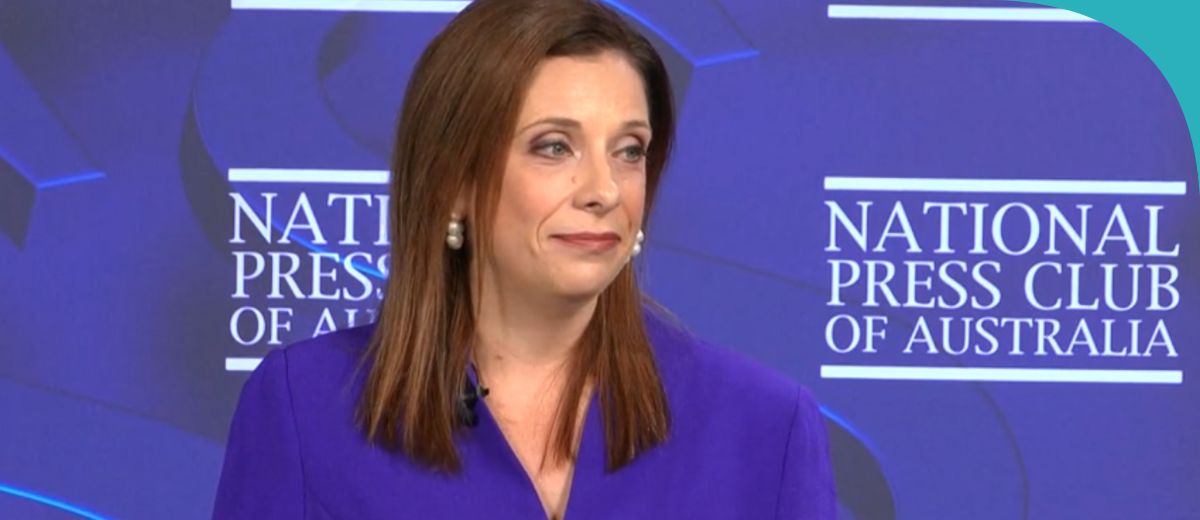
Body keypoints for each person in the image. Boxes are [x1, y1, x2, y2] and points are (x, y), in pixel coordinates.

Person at [212, 0, 835, 518]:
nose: (604, 190)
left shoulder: (765, 428)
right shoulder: (304, 408)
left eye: (629, 150)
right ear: (453, 179)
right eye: (554, 146)